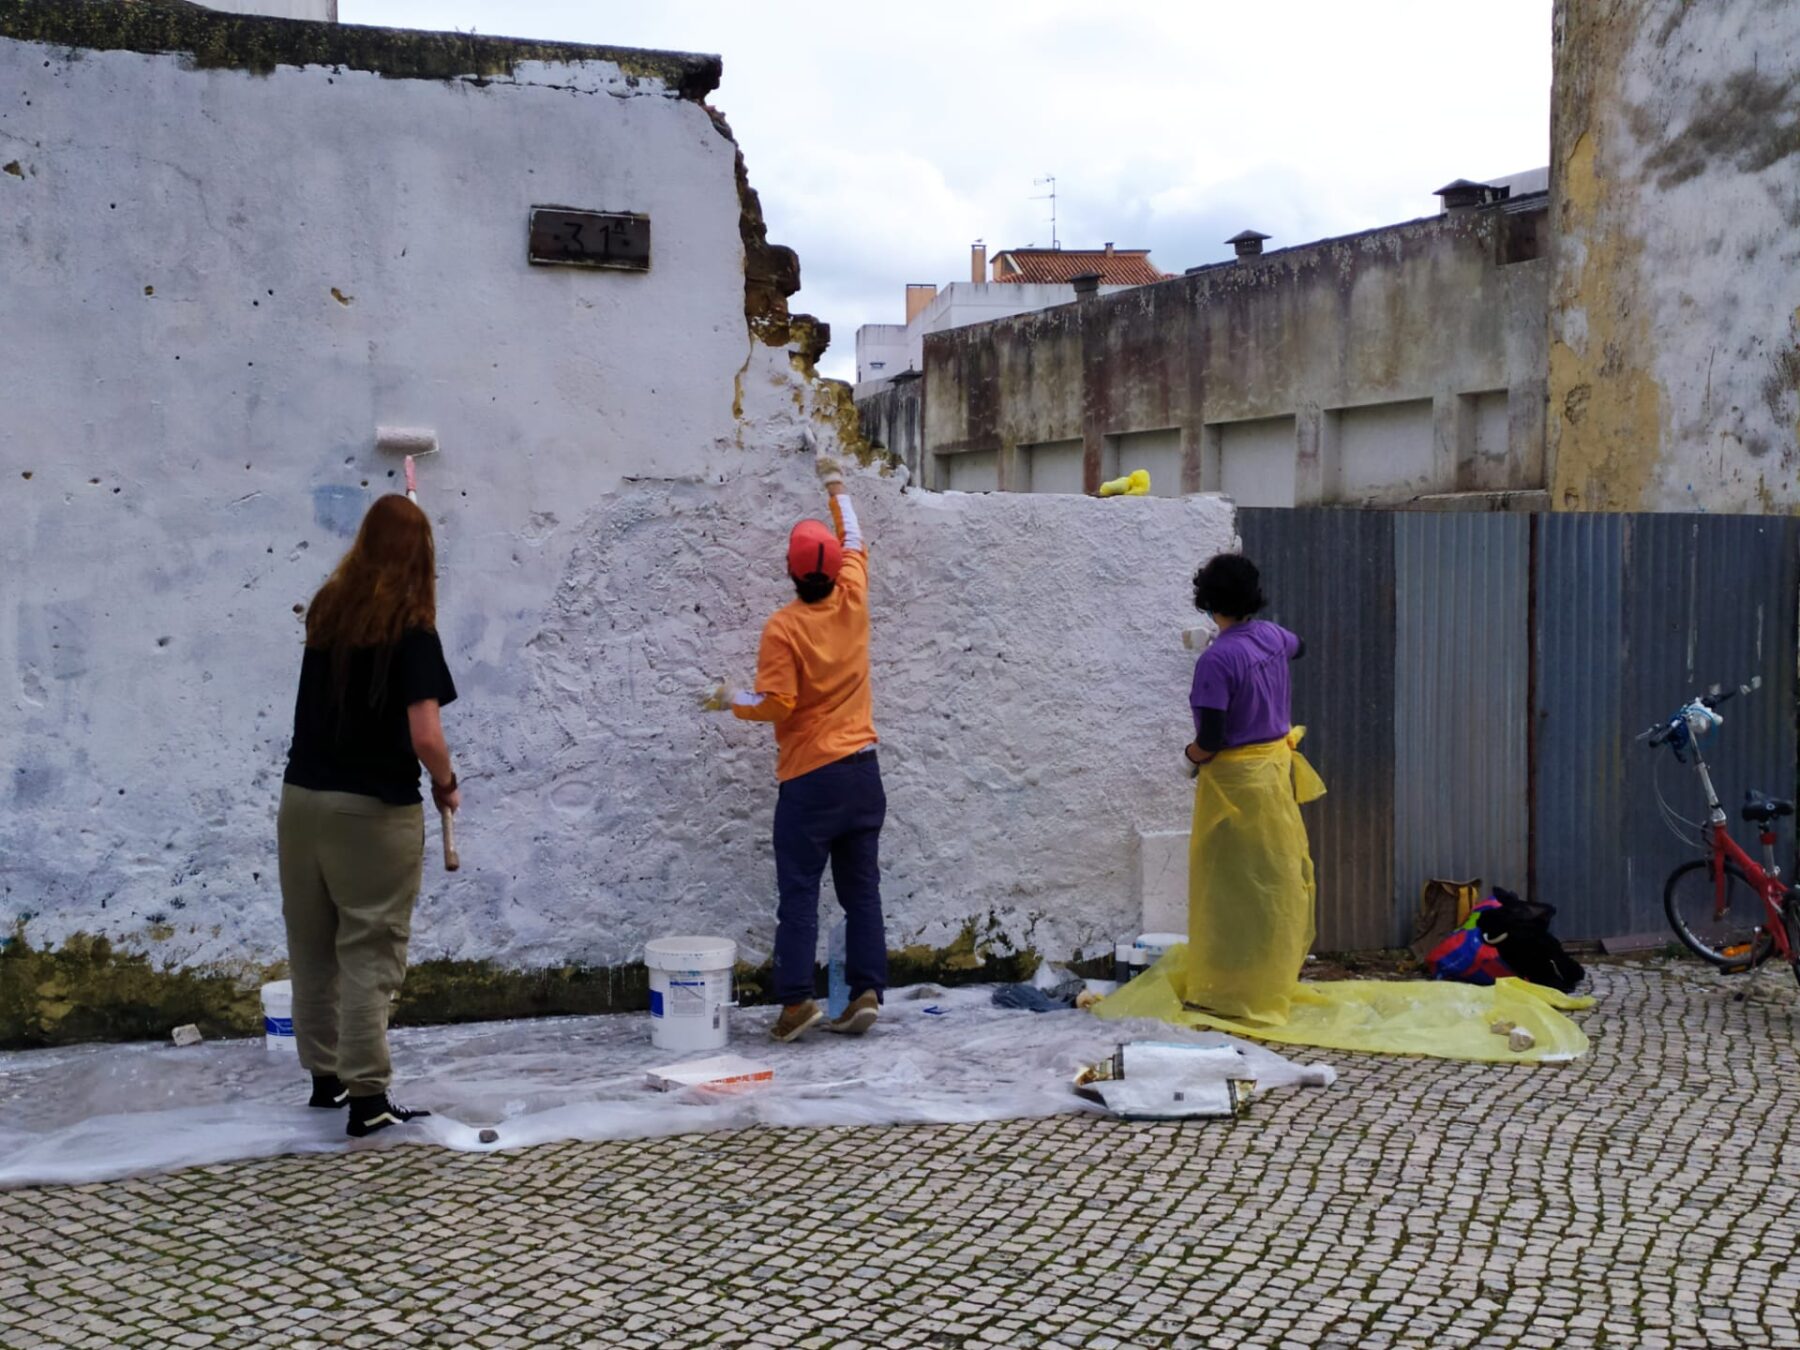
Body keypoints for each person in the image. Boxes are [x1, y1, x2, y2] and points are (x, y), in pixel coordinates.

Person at [279, 494, 460, 1137]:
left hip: (301, 803)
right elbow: (427, 735)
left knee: (312, 944)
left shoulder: (329, 611)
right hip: (371, 812)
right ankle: (368, 1098)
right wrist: (446, 782)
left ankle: (325, 1081)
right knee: (369, 947)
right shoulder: (411, 629)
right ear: (421, 558)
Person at [708, 460, 887, 1042]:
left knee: (800, 894)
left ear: (789, 572)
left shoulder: (783, 628)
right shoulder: (854, 597)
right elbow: (856, 537)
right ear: (836, 571)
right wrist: (836, 487)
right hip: (863, 773)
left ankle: (795, 1004)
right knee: (861, 892)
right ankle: (865, 992)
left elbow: (778, 704)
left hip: (811, 780)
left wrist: (729, 699)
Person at [1182, 553, 1325, 1025]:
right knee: (1272, 882)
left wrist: (1189, 757)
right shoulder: (1270, 637)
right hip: (1273, 778)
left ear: (1207, 602)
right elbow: (1298, 646)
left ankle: (1230, 989)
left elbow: (1212, 739)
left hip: (1235, 789)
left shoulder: (1216, 662)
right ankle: (1269, 981)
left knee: (1229, 888)